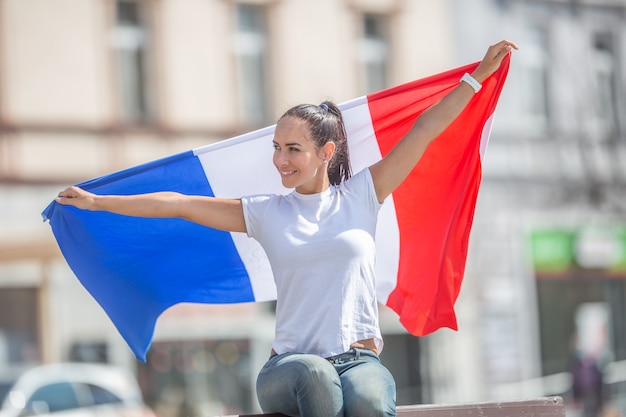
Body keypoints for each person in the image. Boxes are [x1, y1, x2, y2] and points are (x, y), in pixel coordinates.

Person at [56, 40, 518, 417]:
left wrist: (476, 77)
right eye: (276, 147)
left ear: (327, 151)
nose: (280, 160)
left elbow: (422, 130)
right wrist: (98, 202)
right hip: (289, 368)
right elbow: (180, 205)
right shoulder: (266, 212)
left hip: (359, 360)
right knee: (317, 379)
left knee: (370, 399)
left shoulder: (362, 197)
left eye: (293, 149)